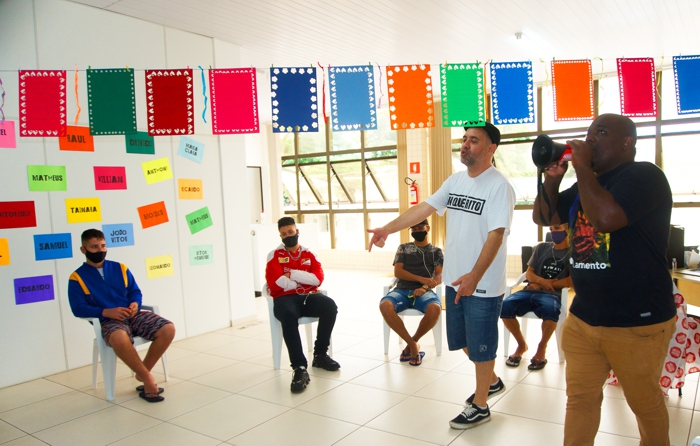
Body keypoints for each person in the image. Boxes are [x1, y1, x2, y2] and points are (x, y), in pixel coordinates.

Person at [533, 113, 676, 445]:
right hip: (584, 319)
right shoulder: (585, 184)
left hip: (636, 322)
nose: (590, 139)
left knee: (644, 404)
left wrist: (583, 168)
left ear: (627, 142)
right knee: (580, 400)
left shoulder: (645, 176)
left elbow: (607, 218)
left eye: (601, 132)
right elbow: (543, 216)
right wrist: (553, 180)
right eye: (588, 133)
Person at [368, 122, 516, 430]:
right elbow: (422, 209)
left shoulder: (499, 186)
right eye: (464, 139)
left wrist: (475, 275)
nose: (465, 144)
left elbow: (496, 235)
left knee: (482, 345)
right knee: (462, 340)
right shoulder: (455, 181)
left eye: (474, 140)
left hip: (482, 284)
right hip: (454, 281)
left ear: (490, 149)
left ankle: (480, 404)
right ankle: (492, 381)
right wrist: (387, 229)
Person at [68, 229, 175, 403]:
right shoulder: (76, 277)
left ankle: (142, 374)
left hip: (132, 315)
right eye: (94, 247)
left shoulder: (120, 268)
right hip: (108, 320)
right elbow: (78, 308)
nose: (100, 250)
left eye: (103, 246)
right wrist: (105, 312)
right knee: (118, 337)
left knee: (168, 328)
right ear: (83, 250)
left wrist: (135, 304)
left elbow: (135, 292)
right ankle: (148, 379)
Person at [265, 216, 340, 393]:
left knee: (330, 306)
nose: (288, 236)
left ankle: (320, 355)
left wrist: (292, 275)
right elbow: (275, 283)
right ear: (280, 236)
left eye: (290, 232)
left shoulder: (309, 254)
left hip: (307, 297)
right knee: (289, 316)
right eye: (284, 234)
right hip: (284, 299)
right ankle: (299, 367)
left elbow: (318, 279)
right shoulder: (274, 255)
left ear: (297, 232)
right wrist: (301, 281)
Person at [500, 223, 572, 371]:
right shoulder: (542, 248)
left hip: (552, 295)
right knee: (505, 305)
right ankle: (521, 344)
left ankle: (541, 347)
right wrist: (541, 281)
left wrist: (542, 285)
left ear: (568, 229)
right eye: (551, 229)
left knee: (550, 310)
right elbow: (529, 273)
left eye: (557, 228)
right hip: (529, 290)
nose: (553, 232)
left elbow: (571, 281)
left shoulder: (574, 252)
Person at [380, 219, 444, 366]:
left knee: (435, 308)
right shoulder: (403, 248)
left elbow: (439, 276)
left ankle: (412, 342)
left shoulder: (436, 252)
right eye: (413, 229)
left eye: (420, 227)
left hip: (424, 292)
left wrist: (424, 288)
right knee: (385, 305)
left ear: (427, 228)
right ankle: (413, 345)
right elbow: (398, 271)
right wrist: (420, 278)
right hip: (402, 290)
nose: (416, 231)